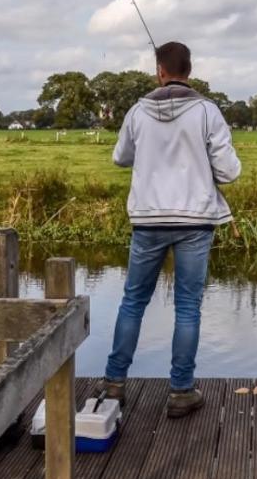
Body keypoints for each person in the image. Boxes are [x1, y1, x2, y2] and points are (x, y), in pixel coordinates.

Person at [103, 41, 242, 418]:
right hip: (195, 221)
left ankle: (114, 384)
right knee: (187, 307)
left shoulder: (136, 111)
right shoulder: (208, 112)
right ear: (189, 71)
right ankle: (181, 391)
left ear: (159, 71)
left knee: (133, 301)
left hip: (147, 219)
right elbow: (229, 172)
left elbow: (120, 158)